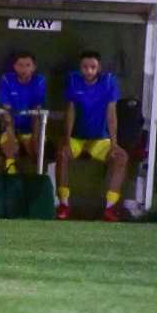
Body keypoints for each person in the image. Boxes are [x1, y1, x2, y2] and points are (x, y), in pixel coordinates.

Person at [55, 51, 127, 221]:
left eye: (92, 67)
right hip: (77, 139)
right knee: (62, 154)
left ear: (99, 68)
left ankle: (110, 207)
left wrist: (114, 144)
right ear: (80, 68)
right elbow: (70, 111)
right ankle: (64, 204)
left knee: (121, 157)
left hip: (100, 140)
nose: (88, 71)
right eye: (85, 67)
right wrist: (67, 140)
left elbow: (111, 114)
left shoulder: (109, 81)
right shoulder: (73, 80)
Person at [0, 51, 46, 173]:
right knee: (10, 149)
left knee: (36, 153)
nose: (24, 69)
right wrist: (11, 136)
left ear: (34, 67)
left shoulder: (40, 81)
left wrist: (35, 137)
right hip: (11, 127)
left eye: (28, 65)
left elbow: (36, 111)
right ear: (14, 67)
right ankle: (11, 172)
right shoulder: (6, 79)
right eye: (20, 65)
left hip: (30, 129)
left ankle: (39, 176)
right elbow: (7, 110)